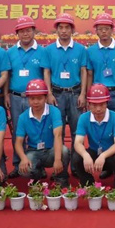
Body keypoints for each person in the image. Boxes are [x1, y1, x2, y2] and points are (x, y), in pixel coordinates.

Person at [5, 16, 51, 178]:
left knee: (39, 130)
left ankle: (39, 164)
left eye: (28, 30)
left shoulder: (43, 51)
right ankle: (17, 164)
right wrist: (6, 95)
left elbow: (46, 73)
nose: (25, 34)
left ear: (33, 31)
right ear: (17, 33)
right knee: (18, 131)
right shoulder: (10, 52)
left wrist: (47, 94)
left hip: (37, 99)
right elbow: (7, 75)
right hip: (16, 97)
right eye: (22, 31)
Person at [45, 13, 87, 173]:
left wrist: (83, 94)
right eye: (61, 27)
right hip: (56, 94)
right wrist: (49, 93)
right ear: (56, 30)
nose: (63, 31)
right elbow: (46, 72)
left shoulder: (80, 49)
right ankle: (60, 169)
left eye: (67, 27)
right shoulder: (49, 50)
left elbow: (83, 71)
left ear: (72, 30)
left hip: (75, 93)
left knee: (77, 131)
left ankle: (76, 167)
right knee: (58, 131)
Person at [14, 79, 69, 186]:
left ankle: (61, 177)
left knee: (64, 151)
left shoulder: (54, 111)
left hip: (51, 150)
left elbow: (58, 135)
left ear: (45, 98)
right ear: (28, 99)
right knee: (24, 170)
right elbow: (18, 142)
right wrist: (23, 158)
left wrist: (58, 159)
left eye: (39, 98)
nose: (36, 102)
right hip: (33, 151)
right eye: (32, 98)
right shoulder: (23, 117)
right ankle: (37, 174)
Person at [72, 84, 115, 188]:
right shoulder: (84, 118)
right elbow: (78, 142)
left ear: (107, 103)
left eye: (102, 104)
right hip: (94, 151)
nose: (98, 109)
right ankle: (89, 185)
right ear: (88, 104)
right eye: (94, 105)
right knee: (77, 158)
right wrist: (85, 155)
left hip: (110, 153)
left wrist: (103, 155)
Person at [86, 13, 115, 128]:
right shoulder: (90, 51)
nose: (104, 31)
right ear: (96, 31)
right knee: (100, 127)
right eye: (100, 29)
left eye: (107, 28)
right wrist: (88, 97)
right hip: (98, 96)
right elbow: (89, 75)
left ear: (112, 30)